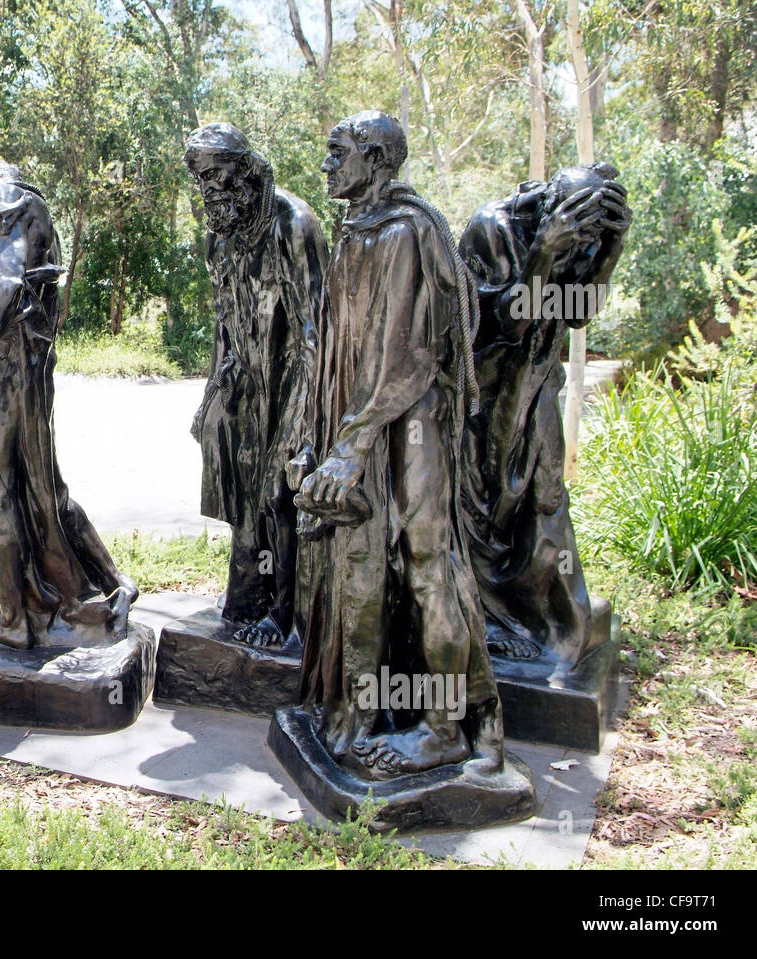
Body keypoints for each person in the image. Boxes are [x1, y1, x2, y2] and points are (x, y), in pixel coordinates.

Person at [288, 111, 502, 779]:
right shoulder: (356, 228)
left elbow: (407, 354)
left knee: (427, 567)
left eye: (338, 152)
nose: (326, 165)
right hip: (362, 423)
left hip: (410, 424)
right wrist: (315, 430)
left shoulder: (407, 231)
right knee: (362, 565)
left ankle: (445, 726)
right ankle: (360, 707)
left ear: (376, 160)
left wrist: (351, 442)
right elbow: (335, 348)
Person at [0, 162, 137, 650]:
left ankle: (12, 618)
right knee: (41, 489)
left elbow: (4, 285)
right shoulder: (7, 220)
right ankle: (109, 586)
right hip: (15, 367)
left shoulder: (14, 204)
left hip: (8, 370)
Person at [459, 164, 631, 664]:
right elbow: (502, 323)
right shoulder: (492, 227)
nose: (583, 246)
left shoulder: (581, 239)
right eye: (580, 232)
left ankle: (548, 618)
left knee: (545, 492)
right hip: (483, 391)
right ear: (549, 208)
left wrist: (610, 249)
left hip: (535, 385)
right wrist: (543, 253)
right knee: (484, 503)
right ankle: (486, 620)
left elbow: (577, 311)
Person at [183, 123, 328, 648]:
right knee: (242, 489)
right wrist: (210, 398)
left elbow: (317, 330)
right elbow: (225, 322)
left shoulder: (293, 223)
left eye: (219, 175)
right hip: (243, 383)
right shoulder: (219, 233)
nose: (210, 191)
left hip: (293, 380)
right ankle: (250, 596)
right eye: (201, 180)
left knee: (279, 489)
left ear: (247, 171)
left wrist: (307, 421)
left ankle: (290, 617)